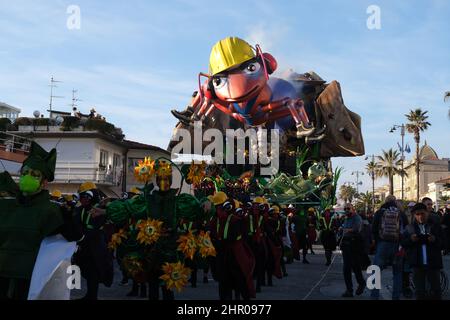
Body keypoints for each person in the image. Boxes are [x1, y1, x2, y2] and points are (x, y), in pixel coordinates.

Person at [0, 142, 81, 300]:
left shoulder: (52, 211)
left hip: (29, 280)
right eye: (25, 172)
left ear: (44, 182)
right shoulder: (5, 206)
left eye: (35, 174)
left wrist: (68, 218)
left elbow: (74, 237)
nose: (27, 177)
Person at [73, 182, 113, 300]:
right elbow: (76, 222)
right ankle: (90, 295)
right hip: (85, 246)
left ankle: (92, 296)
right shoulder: (81, 209)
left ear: (91, 196)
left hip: (96, 246)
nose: (82, 200)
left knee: (94, 271)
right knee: (87, 270)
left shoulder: (100, 209)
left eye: (83, 197)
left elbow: (97, 227)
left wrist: (84, 236)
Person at [401, 203, 444, 300]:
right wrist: (411, 240)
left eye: (422, 214)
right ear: (414, 215)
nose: (420, 216)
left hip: (433, 264)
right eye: (417, 214)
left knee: (436, 291)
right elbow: (403, 243)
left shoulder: (435, 226)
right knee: (419, 292)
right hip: (417, 264)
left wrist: (435, 240)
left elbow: (444, 243)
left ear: (427, 213)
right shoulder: (409, 228)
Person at [370, 195, 408, 300]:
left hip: (383, 244)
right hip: (397, 245)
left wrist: (377, 242)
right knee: (397, 272)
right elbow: (406, 227)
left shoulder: (380, 212)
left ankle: (374, 296)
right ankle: (395, 296)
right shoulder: (401, 213)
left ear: (385, 201)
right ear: (395, 202)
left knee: (376, 271)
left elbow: (373, 228)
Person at [339, 204, 365, 298]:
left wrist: (346, 230)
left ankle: (361, 283)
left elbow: (356, 229)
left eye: (348, 208)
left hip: (354, 245)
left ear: (353, 209)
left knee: (355, 267)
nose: (346, 210)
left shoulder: (356, 218)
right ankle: (349, 290)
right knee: (346, 268)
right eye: (345, 208)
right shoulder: (346, 218)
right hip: (346, 245)